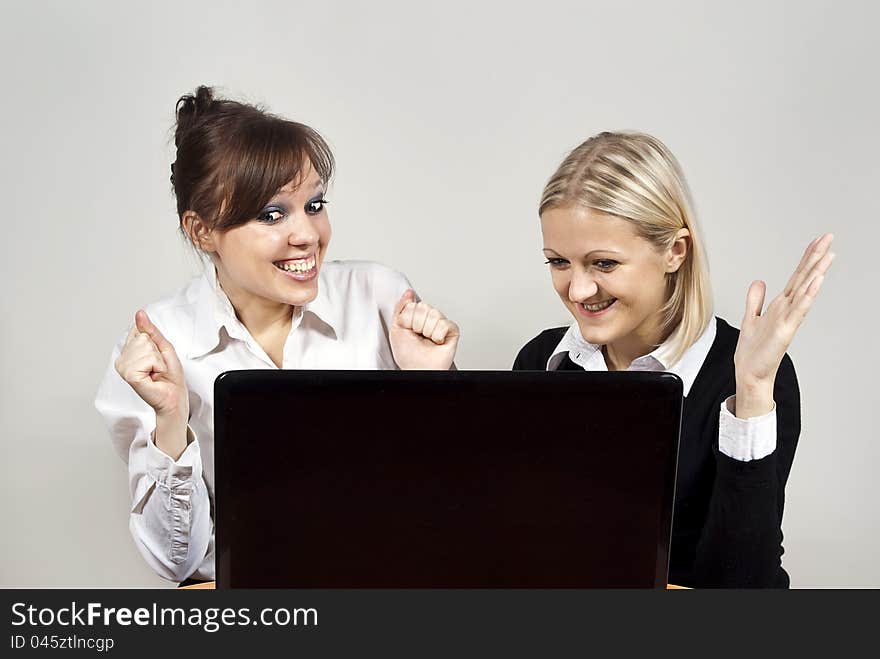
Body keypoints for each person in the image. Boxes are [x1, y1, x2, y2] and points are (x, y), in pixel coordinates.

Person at [95, 86, 459, 584]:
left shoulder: (379, 297)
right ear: (202, 232)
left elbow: (451, 507)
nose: (307, 235)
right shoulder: (162, 343)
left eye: (314, 205)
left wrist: (430, 387)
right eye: (271, 215)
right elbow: (176, 564)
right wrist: (171, 422)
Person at [513, 131, 833, 588]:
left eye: (603, 264)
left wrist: (754, 391)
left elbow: (742, 586)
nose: (578, 290)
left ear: (674, 252)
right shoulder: (541, 361)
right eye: (558, 262)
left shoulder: (743, 374)